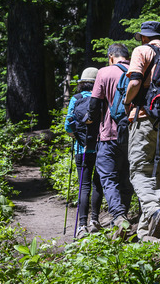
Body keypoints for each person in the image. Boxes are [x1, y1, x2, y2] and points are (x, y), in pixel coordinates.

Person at [123, 21, 160, 242]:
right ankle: (148, 233)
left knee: (139, 171)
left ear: (144, 37)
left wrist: (126, 102)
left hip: (144, 117)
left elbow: (135, 82)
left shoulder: (142, 50)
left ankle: (153, 210)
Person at [86, 43, 134, 236]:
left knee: (108, 177)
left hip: (109, 134)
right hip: (134, 133)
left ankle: (119, 216)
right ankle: (125, 215)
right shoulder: (137, 70)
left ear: (111, 56)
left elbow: (94, 104)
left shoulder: (104, 72)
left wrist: (89, 121)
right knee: (127, 176)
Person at [64, 67, 103, 238]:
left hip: (81, 149)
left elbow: (68, 125)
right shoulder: (101, 99)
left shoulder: (76, 98)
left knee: (84, 186)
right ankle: (95, 221)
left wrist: (77, 136)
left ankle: (82, 225)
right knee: (98, 184)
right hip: (101, 147)